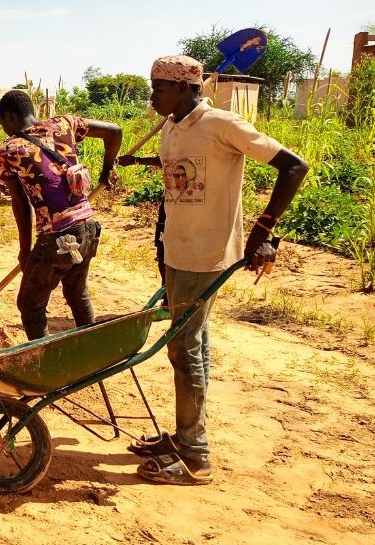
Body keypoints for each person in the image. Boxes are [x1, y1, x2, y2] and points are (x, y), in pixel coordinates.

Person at [119, 55, 307, 485]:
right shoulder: (172, 126)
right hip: (175, 250)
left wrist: (264, 229)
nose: (153, 96)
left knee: (183, 349)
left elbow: (294, 166)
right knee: (194, 343)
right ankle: (187, 437)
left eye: (160, 87)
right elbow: (183, 168)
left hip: (206, 253)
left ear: (186, 88)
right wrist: (146, 163)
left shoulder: (224, 125)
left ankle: (196, 456)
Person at [0, 89, 122, 340]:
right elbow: (114, 130)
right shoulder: (64, 123)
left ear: (8, 117)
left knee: (30, 304)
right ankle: (91, 350)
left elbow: (20, 204)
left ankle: (44, 361)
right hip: (88, 228)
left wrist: (24, 250)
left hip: (57, 237)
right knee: (77, 292)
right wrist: (108, 168)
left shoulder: (8, 150)